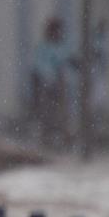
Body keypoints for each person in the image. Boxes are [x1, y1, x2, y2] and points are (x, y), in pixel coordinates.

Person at [32, 17, 72, 147]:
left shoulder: (62, 47)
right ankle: (46, 138)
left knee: (61, 113)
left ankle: (62, 138)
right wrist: (49, 76)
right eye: (56, 31)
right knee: (47, 113)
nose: (58, 34)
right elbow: (39, 66)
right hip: (46, 84)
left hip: (60, 84)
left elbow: (67, 62)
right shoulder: (43, 47)